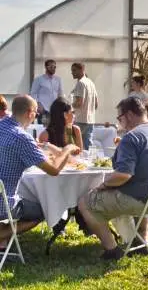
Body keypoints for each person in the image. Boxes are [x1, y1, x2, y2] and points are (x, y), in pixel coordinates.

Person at [78, 95, 148, 261]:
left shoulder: (132, 137)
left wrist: (104, 185)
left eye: (120, 118)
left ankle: (112, 250)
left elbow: (123, 175)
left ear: (128, 115)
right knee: (143, 187)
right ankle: (142, 241)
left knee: (85, 202)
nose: (120, 122)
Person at [0, 95, 78, 245]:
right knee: (45, 208)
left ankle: (3, 237)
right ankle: (2, 234)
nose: (35, 116)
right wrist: (66, 150)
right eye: (36, 113)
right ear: (30, 113)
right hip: (4, 203)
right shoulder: (21, 137)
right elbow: (54, 170)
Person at [71, 63, 98, 150]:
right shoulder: (91, 83)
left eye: (74, 70)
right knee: (88, 146)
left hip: (80, 120)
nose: (72, 72)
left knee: (76, 147)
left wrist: (69, 106)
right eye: (72, 70)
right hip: (90, 120)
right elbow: (96, 104)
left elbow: (79, 103)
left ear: (81, 70)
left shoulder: (81, 83)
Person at [30, 59, 63, 124]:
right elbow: (33, 93)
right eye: (51, 67)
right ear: (46, 67)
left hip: (55, 110)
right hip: (44, 110)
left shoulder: (58, 79)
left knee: (55, 129)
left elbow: (60, 93)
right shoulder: (39, 79)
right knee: (44, 129)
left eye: (54, 67)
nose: (53, 69)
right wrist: (38, 104)